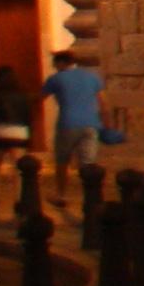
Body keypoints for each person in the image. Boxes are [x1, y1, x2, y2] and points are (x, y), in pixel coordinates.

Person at [41, 52, 108, 215]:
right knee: (88, 163)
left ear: (61, 63)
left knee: (62, 160)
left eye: (55, 64)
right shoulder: (91, 77)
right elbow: (102, 103)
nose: (54, 67)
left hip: (68, 123)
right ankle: (91, 197)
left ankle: (61, 195)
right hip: (90, 124)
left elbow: (39, 97)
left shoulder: (56, 79)